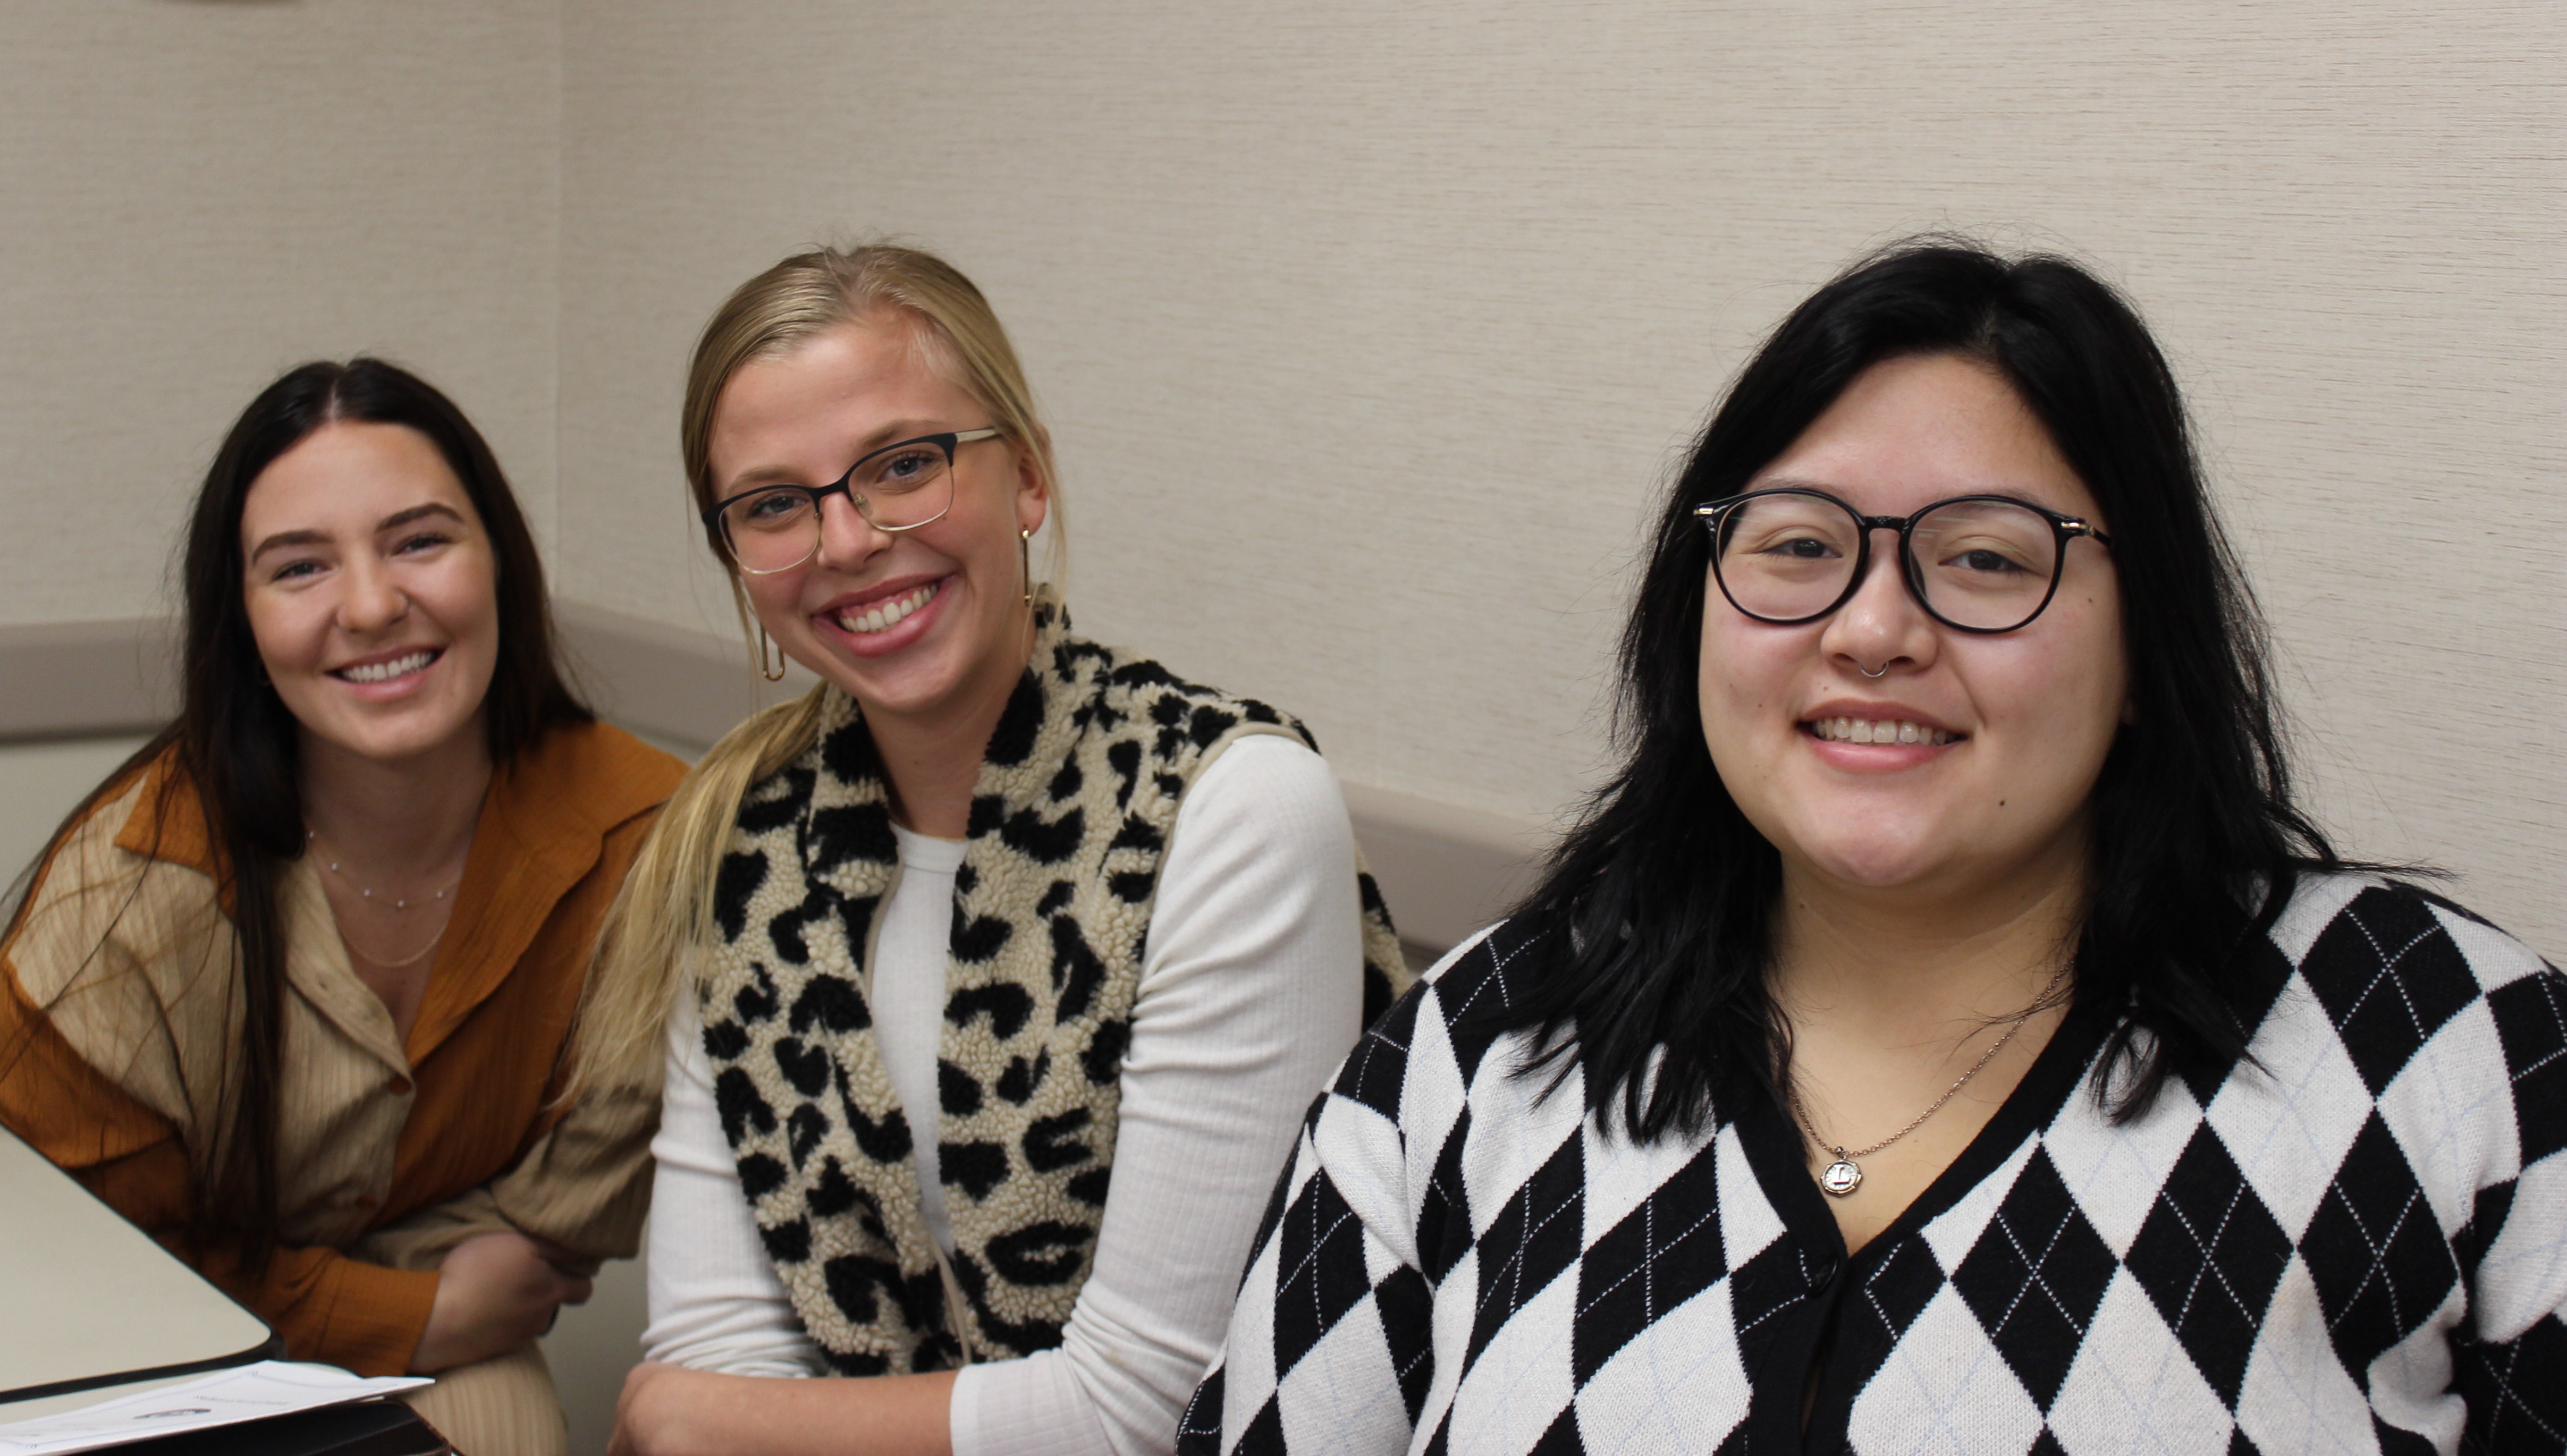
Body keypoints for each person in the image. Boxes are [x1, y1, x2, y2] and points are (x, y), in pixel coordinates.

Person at [1178, 242, 2564, 1454]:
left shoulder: (2442, 1048)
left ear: (2146, 643)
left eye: (1984, 559)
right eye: (1797, 545)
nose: (1871, 627)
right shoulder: (1485, 1043)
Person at [570, 244, 1412, 1456]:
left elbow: (1147, 1413)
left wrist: (708, 1414)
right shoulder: (740, 842)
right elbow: (716, 1360)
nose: (847, 539)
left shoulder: (1226, 808)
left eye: (903, 466)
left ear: (1026, 477)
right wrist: (704, 1410)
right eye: (772, 504)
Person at [0, 358, 686, 1454]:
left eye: (420, 540)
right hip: (114, 1373)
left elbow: (546, 1237)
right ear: (240, 619)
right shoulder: (139, 883)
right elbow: (61, 1255)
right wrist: (407, 1308)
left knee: (503, 1410)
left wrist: (424, 1313)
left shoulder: (653, 840)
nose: (372, 604)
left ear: (502, 564)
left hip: (433, 1356)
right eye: (299, 567)